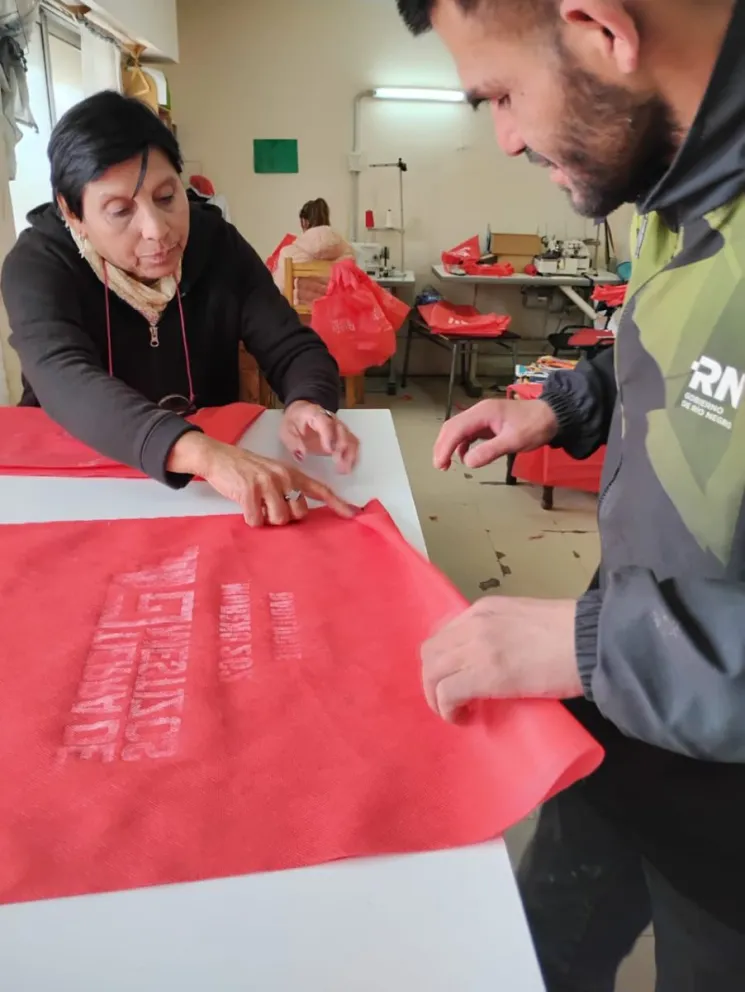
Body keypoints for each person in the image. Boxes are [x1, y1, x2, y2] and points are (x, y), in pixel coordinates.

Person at [398, 0, 745, 988]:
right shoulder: (678, 174)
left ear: (601, 27)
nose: (503, 137)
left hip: (727, 846)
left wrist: (580, 644)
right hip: (619, 740)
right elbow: (684, 354)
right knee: (527, 954)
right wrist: (562, 405)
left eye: (502, 94)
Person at [1, 91, 359, 527]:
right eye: (120, 211)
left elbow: (290, 344)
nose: (157, 230)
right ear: (72, 212)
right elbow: (64, 377)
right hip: (76, 487)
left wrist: (307, 401)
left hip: (207, 495)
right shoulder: (40, 264)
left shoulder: (217, 244)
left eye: (167, 197)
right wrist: (199, 452)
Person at [272, 197, 355, 298]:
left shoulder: (288, 253)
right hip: (337, 313)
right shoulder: (347, 252)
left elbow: (279, 291)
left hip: (300, 313)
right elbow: (353, 288)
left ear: (304, 222)